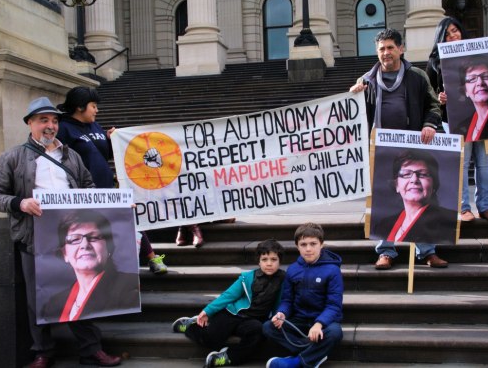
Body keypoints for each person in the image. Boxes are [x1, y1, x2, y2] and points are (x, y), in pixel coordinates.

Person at [0, 97, 121, 367]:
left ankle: (91, 348)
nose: (50, 126)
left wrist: (101, 203)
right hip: (34, 237)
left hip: (73, 237)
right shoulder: (13, 156)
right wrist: (20, 203)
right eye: (43, 120)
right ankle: (43, 352)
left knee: (81, 295)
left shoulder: (71, 155)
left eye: (54, 120)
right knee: (39, 298)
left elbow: (88, 185)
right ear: (30, 123)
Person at [350, 28, 448, 270]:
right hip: (380, 149)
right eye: (382, 48)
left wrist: (429, 124)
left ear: (401, 49)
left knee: (422, 198)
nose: (386, 53)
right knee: (384, 201)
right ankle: (386, 251)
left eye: (391, 47)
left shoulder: (416, 76)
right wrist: (352, 96)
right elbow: (351, 114)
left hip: (414, 147)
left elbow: (433, 104)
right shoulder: (366, 80)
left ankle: (427, 251)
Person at [56, 86, 168, 273]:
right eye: (93, 106)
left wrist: (111, 140)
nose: (97, 110)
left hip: (107, 186)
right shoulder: (64, 129)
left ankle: (152, 258)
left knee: (128, 218)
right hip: (85, 193)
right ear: (79, 107)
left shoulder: (95, 126)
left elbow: (104, 153)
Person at [426, 17, 488, 223]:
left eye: (455, 31)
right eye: (448, 33)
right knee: (462, 163)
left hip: (485, 117)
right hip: (455, 119)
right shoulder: (435, 63)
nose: (453, 36)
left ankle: (486, 206)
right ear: (441, 38)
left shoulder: (478, 54)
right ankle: (463, 208)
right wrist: (439, 98)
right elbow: (429, 92)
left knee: (484, 164)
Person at [172, 239, 285, 367]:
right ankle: (191, 326)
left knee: (258, 333)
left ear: (279, 261)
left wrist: (278, 316)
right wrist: (207, 311)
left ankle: (228, 357)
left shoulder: (282, 279)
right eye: (264, 259)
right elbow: (228, 296)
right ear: (259, 261)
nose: (269, 263)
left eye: (273, 259)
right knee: (211, 339)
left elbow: (280, 302)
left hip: (252, 321)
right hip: (231, 314)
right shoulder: (248, 277)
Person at [262, 222, 343, 368]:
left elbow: (333, 305)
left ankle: (297, 361)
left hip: (322, 322)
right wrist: (282, 313)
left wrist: (319, 324)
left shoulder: (332, 270)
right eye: (303, 244)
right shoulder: (293, 269)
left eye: (313, 244)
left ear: (322, 244)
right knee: (268, 327)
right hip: (299, 320)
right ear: (297, 246)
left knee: (335, 333)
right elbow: (287, 300)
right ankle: (314, 354)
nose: (308, 249)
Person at [41, 210, 140, 323]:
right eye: (74, 239)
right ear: (65, 254)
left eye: (94, 237)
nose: (84, 245)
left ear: (109, 248)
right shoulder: (54, 303)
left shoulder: (129, 286)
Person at [372, 150, 458, 244]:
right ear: (396, 185)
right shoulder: (383, 226)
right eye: (406, 174)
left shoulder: (449, 221)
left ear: (434, 185)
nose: (414, 180)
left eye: (423, 174)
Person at [452, 54, 488, 141]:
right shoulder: (462, 127)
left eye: (486, 76)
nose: (479, 83)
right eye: (471, 79)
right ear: (465, 90)